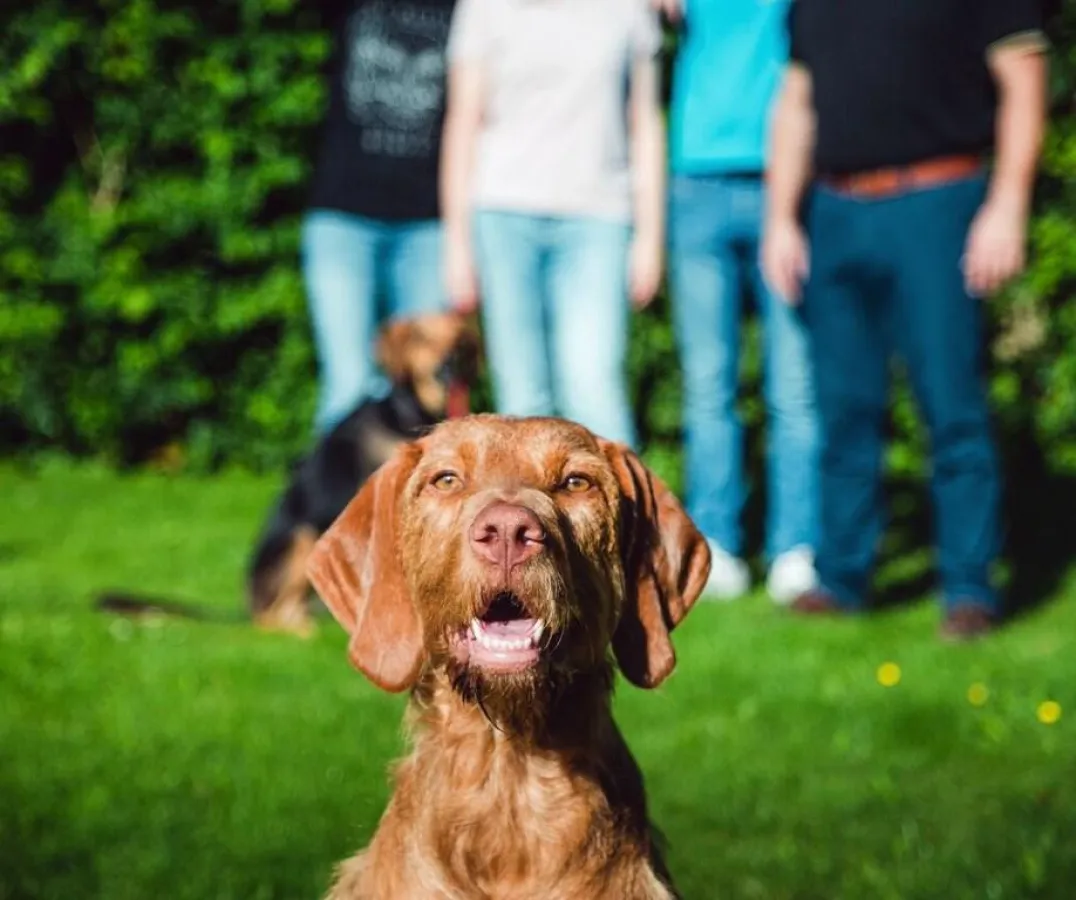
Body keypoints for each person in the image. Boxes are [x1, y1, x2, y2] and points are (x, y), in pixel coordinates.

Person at [762, 0, 1048, 639]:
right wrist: (781, 218)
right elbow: (798, 101)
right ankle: (841, 578)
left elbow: (1024, 80)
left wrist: (1008, 205)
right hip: (834, 210)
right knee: (844, 410)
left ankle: (969, 588)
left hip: (938, 201)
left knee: (952, 406)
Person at [439, 0, 667, 448]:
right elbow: (463, 121)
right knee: (521, 398)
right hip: (503, 213)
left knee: (595, 389)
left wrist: (650, 238)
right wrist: (457, 246)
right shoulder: (484, 8)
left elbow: (645, 122)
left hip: (599, 215)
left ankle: (618, 497)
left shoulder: (628, 9)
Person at [657, 0, 819, 602]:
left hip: (787, 173)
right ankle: (716, 543)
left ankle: (796, 545)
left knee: (794, 384)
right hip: (696, 178)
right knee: (708, 383)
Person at [303, 0, 456, 435]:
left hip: (429, 225)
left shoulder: (464, 9)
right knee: (348, 384)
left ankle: (419, 482)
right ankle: (337, 484)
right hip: (343, 218)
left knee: (427, 392)